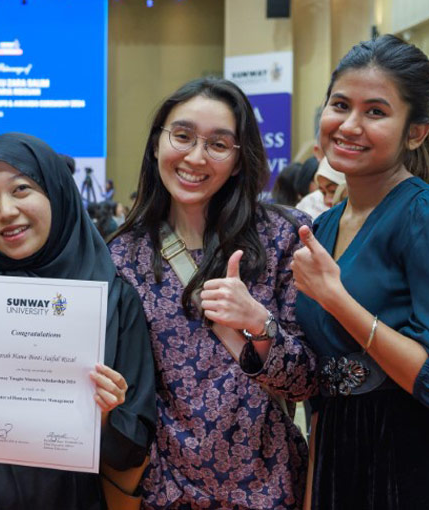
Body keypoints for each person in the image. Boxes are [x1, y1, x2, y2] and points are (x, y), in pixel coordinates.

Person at [292, 35, 429, 510]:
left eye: (375, 111)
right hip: (339, 458)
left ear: (416, 132)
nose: (349, 125)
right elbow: (322, 379)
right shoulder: (326, 224)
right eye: (340, 105)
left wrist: (337, 300)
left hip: (419, 468)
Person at [0, 133, 156, 509]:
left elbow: (129, 452)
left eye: (22, 189)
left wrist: (105, 415)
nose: (4, 211)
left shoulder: (113, 301)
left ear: (57, 192)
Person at [108, 77, 318, 509]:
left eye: (219, 145)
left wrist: (259, 325)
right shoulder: (121, 255)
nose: (195, 157)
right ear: (156, 144)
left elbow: (308, 381)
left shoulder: (282, 237)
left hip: (267, 489)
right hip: (163, 493)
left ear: (240, 161)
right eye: (182, 136)